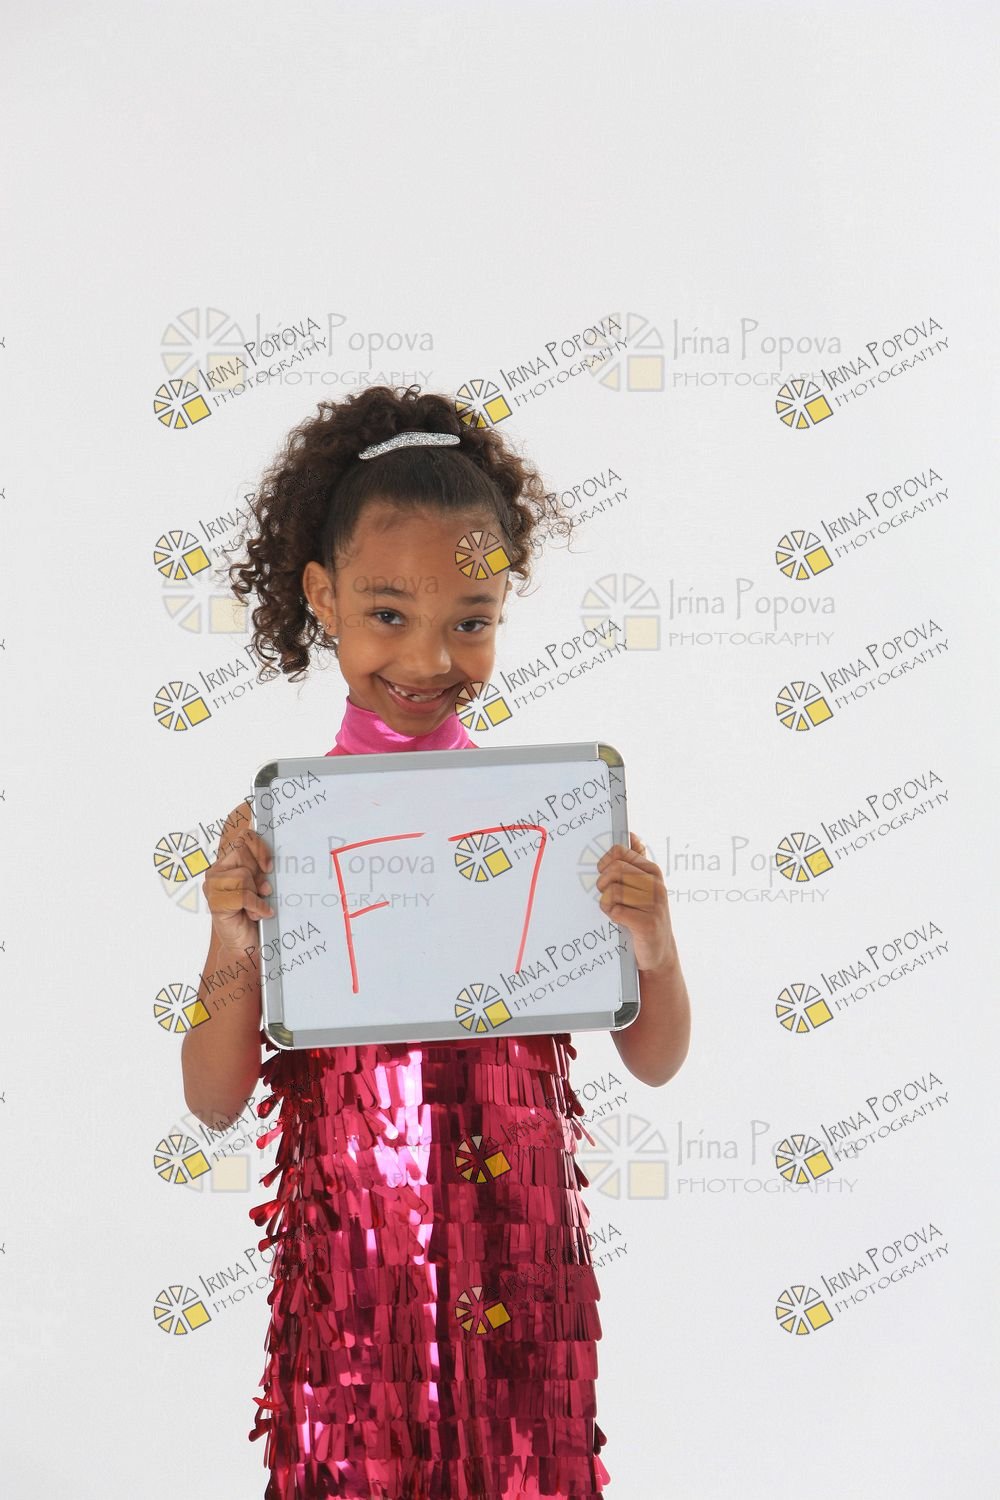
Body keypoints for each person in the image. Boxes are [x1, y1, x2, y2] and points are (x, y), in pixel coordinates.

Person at [181, 384, 692, 1500]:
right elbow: (214, 1099)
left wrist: (655, 942)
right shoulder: (278, 835)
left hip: (520, 1249)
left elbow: (655, 1058)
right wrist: (229, 930)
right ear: (323, 598)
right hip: (352, 1267)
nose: (427, 657)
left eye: (471, 620)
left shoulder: (560, 822)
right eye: (387, 613)